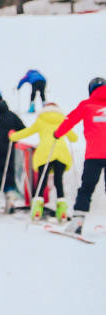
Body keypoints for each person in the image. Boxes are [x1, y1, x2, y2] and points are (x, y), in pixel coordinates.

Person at [52, 77, 106, 236]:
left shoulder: (86, 105)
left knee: (87, 188)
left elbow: (70, 120)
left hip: (94, 155)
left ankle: (77, 222)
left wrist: (57, 133)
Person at [10, 102, 77, 221]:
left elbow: (27, 132)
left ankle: (36, 211)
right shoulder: (62, 120)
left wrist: (13, 136)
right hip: (61, 154)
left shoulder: (41, 120)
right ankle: (62, 213)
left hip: (45, 154)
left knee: (41, 181)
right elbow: (74, 138)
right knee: (58, 181)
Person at [0, 88, 27, 212]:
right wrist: (13, 137)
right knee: (8, 178)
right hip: (7, 154)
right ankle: (10, 202)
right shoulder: (11, 115)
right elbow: (24, 129)